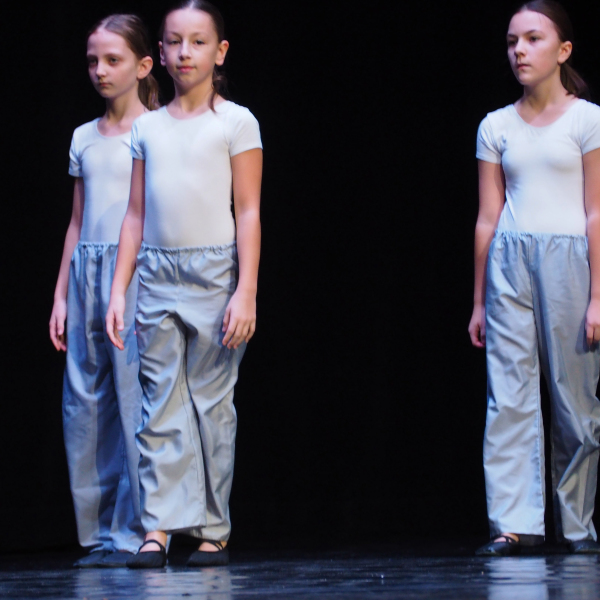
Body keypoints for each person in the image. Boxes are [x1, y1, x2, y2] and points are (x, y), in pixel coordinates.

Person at [106, 0, 262, 569]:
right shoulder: (147, 127)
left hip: (214, 272)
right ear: (161, 52)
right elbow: (135, 214)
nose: (184, 52)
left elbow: (248, 211)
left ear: (220, 52)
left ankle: (212, 529)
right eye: (174, 41)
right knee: (159, 404)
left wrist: (246, 289)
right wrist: (119, 289)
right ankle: (159, 527)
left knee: (211, 403)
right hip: (156, 272)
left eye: (198, 42)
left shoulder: (235, 122)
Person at [469, 0, 600, 557]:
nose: (519, 51)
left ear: (563, 50)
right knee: (509, 396)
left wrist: (598, 296)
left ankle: (576, 525)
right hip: (509, 260)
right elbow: (487, 217)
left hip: (570, 260)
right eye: (511, 41)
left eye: (532, 39)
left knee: (575, 400)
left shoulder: (587, 120)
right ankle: (515, 522)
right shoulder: (496, 125)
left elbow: (596, 211)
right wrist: (479, 301)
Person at [49, 14, 159, 568]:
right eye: (93, 60)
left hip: (133, 272)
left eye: (113, 60)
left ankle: (135, 530)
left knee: (133, 398)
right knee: (84, 405)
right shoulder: (83, 137)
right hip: (85, 273)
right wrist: (60, 295)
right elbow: (76, 221)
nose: (100, 70)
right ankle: (95, 535)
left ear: (143, 66)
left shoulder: (156, 131)